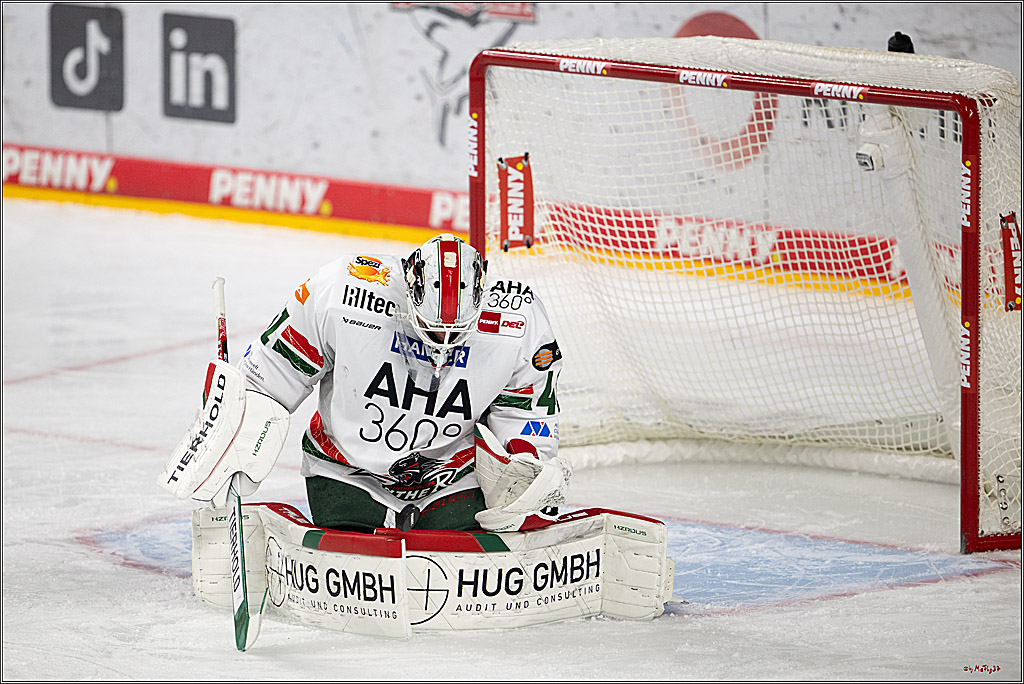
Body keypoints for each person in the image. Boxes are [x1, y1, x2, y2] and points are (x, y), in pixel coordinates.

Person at [233, 233, 569, 533]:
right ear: (410, 291)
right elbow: (272, 371)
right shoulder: (341, 291)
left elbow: (528, 410)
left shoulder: (518, 319)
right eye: (430, 326)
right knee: (349, 544)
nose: (442, 343)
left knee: (455, 555)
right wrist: (235, 427)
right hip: (346, 468)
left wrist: (527, 462)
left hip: (452, 475)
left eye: (457, 330)